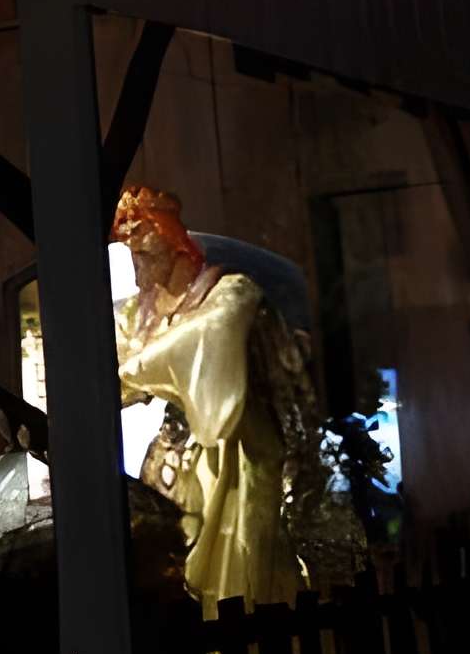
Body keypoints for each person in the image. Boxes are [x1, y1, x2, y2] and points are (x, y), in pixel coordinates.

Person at [112, 185, 351, 616]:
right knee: (175, 569)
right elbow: (116, 356)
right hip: (177, 459)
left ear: (173, 245)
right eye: (133, 258)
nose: (137, 270)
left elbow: (203, 338)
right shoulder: (138, 313)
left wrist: (131, 375)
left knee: (242, 578)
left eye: (145, 256)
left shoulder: (229, 292)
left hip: (238, 452)